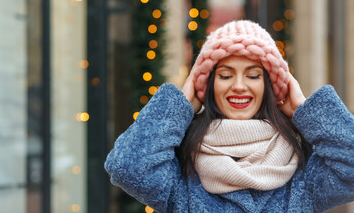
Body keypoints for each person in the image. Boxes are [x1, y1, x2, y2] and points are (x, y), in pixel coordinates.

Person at [104, 20, 354, 212]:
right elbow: (128, 168)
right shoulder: (183, 163)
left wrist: (304, 108)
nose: (239, 86)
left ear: (268, 85)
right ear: (208, 85)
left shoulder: (302, 167)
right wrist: (178, 104)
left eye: (253, 75)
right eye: (225, 75)